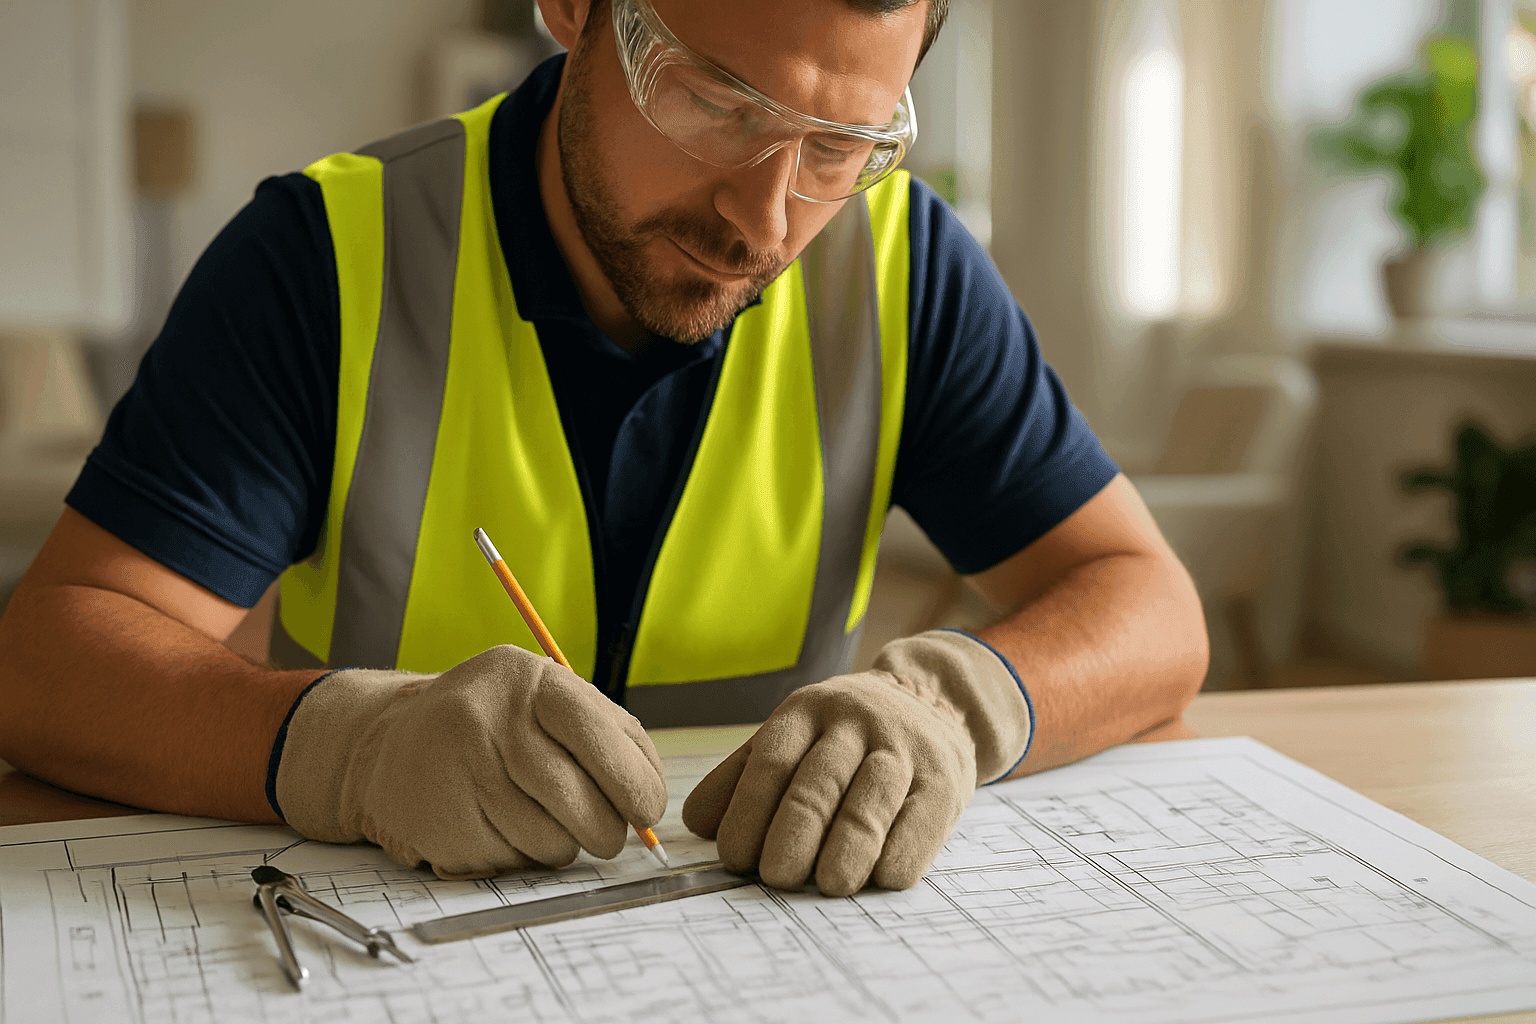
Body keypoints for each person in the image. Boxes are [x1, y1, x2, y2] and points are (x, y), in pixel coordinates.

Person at [0, 0, 1207, 895]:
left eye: (839, 147)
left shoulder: (905, 264)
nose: (766, 219)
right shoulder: (324, 255)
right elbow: (47, 663)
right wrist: (349, 748)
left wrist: (949, 704)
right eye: (719, 105)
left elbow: (1151, 607)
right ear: (574, 11)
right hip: (377, 936)